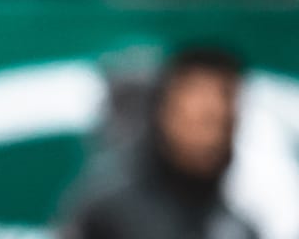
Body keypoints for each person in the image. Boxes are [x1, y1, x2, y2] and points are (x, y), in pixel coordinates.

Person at [61, 46, 259, 239]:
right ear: (164, 111)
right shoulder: (106, 212)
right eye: (200, 118)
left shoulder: (238, 228)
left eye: (226, 96)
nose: (214, 110)